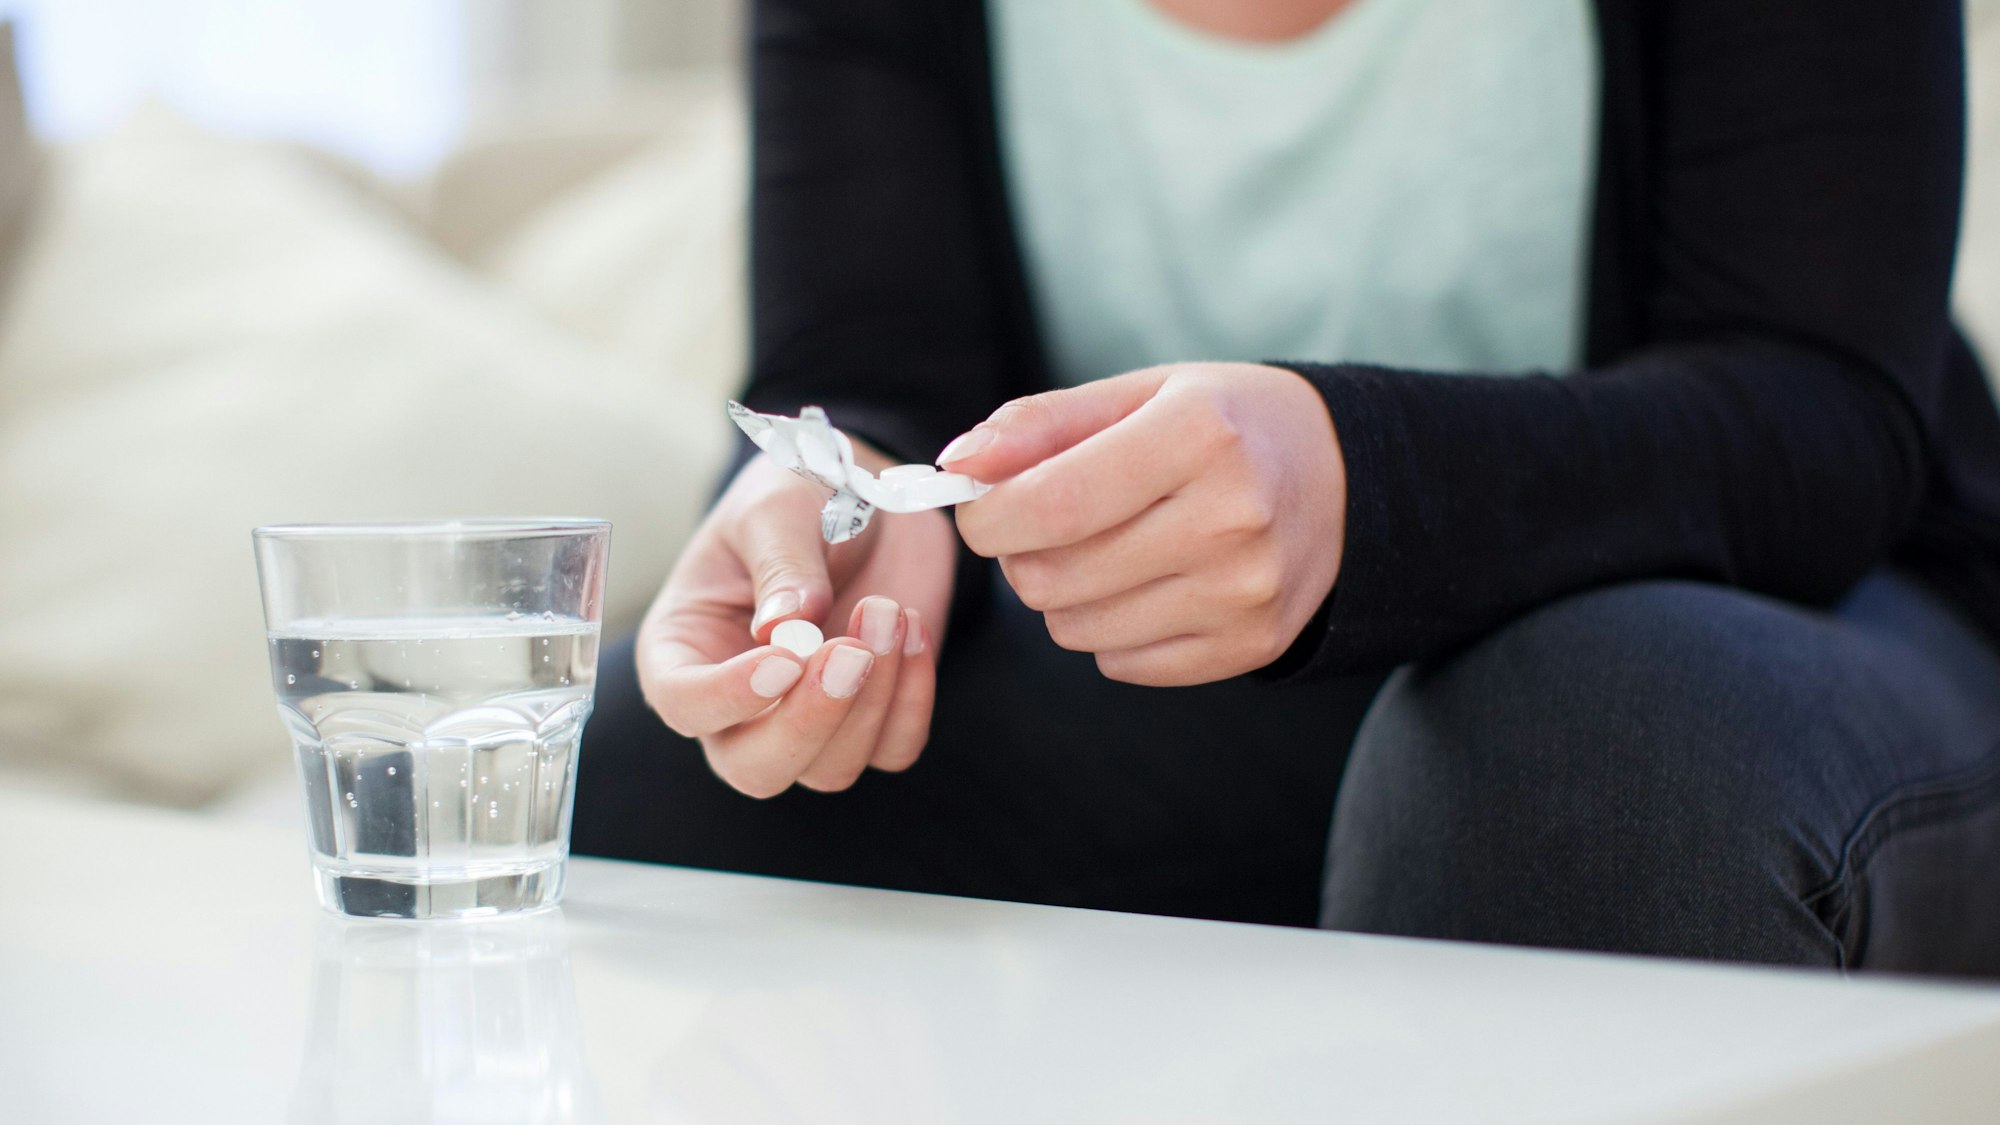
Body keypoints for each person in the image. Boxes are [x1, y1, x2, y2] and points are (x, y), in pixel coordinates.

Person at [573, 0, 2000, 976]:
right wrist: (836, 508)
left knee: (1578, 753)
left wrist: (1365, 485)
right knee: (667, 766)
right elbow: (866, 367)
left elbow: (1824, 412)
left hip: (1793, 632)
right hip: (1197, 699)